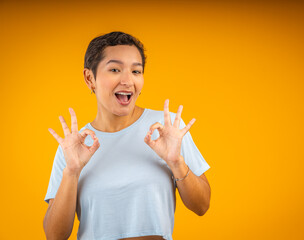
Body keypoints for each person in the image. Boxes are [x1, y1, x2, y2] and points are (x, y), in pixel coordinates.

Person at [43, 31, 211, 240]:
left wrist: (177, 163)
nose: (127, 80)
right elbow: (54, 236)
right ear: (90, 78)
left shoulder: (166, 129)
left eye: (136, 71)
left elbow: (202, 205)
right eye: (115, 69)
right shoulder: (73, 146)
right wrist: (72, 172)